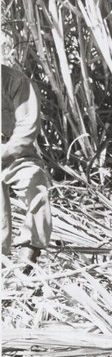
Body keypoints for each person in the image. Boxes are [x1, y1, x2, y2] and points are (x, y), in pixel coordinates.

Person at [1, 29, 53, 273]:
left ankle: (24, 268)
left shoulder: (16, 82)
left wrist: (4, 154)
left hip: (16, 154)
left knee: (38, 192)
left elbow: (26, 128)